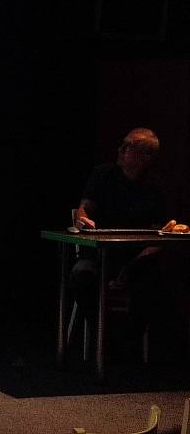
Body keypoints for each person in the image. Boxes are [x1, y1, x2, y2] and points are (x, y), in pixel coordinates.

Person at [69, 127, 167, 351]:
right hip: (98, 254)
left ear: (146, 157)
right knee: (80, 276)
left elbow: (157, 237)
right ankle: (102, 334)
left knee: (153, 284)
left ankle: (127, 341)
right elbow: (84, 210)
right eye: (123, 144)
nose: (121, 150)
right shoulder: (103, 175)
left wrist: (131, 266)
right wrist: (82, 220)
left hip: (135, 259)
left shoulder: (155, 188)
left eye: (128, 147)